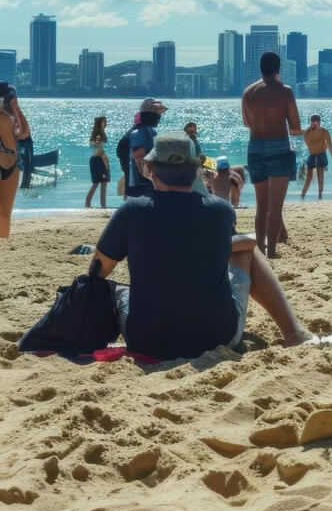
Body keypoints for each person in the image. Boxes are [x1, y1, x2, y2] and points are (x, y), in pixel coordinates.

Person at [88, 132, 313, 358]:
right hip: (218, 337)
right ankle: (294, 333)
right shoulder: (220, 211)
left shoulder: (131, 211)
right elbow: (217, 243)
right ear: (195, 170)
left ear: (151, 169)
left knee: (117, 290)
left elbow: (98, 270)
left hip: (147, 341)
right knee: (247, 250)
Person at [241, 52, 302, 258]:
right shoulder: (285, 91)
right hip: (279, 147)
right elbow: (295, 126)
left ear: (260, 68)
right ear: (278, 69)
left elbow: (246, 122)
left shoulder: (248, 92)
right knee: (275, 207)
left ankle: (259, 248)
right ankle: (273, 251)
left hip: (255, 147)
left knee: (261, 205)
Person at [125, 99, 167, 199]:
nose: (159, 117)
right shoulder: (140, 132)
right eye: (156, 114)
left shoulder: (150, 131)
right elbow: (139, 159)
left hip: (148, 183)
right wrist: (151, 180)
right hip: (142, 185)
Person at [299, 115, 332, 200]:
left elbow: (330, 146)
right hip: (312, 155)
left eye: (315, 121)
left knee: (320, 175)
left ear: (319, 122)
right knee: (309, 177)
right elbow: (310, 146)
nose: (313, 123)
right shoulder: (307, 132)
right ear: (310, 122)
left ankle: (320, 195)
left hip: (321, 154)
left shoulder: (324, 131)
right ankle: (302, 195)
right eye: (312, 121)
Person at [0, 83, 21, 238]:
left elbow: (23, 133)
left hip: (10, 161)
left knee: (5, 213)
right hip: (11, 161)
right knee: (5, 213)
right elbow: (20, 137)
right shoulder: (7, 119)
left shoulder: (8, 118)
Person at [86, 116, 111, 209]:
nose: (106, 124)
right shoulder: (99, 136)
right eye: (105, 122)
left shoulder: (95, 135)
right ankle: (102, 205)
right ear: (100, 123)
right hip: (99, 160)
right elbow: (101, 151)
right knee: (101, 183)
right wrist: (106, 164)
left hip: (95, 160)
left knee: (98, 183)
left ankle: (89, 204)